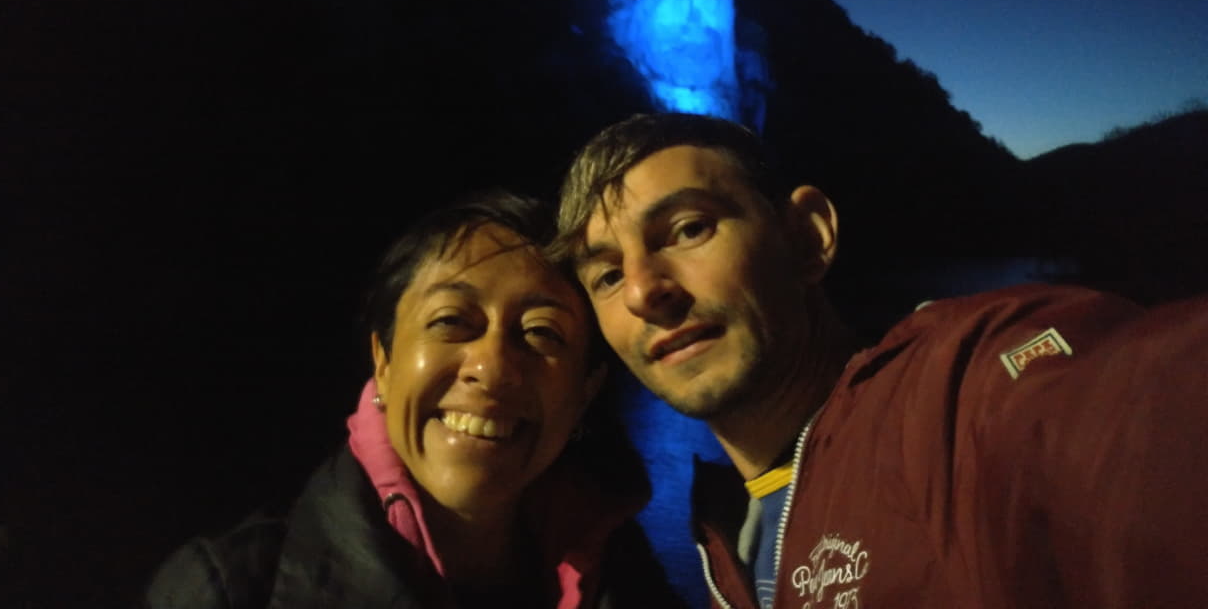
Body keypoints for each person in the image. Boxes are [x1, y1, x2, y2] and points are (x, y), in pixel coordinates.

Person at [552, 112, 1208, 609]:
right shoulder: (727, 529)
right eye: (607, 276)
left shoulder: (962, 400)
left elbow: (1134, 413)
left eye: (690, 229)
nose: (642, 291)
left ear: (808, 239)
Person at [145, 190, 686, 609]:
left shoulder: (626, 574)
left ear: (585, 391)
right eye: (452, 321)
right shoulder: (231, 589)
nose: (492, 367)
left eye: (541, 332)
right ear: (383, 359)